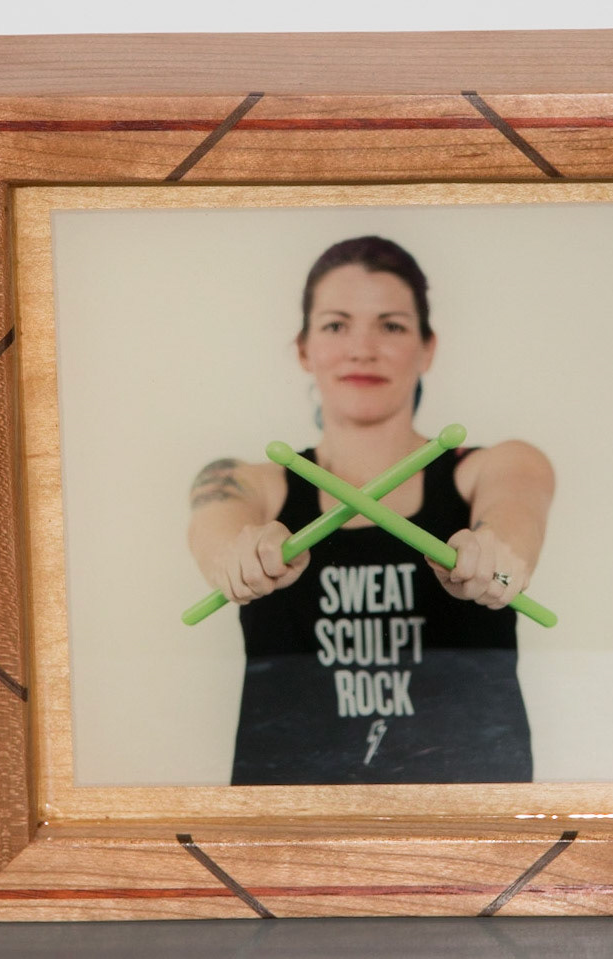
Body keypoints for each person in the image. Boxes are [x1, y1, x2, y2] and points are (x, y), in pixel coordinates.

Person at [188, 236, 554, 785]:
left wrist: (498, 557)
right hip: (290, 821)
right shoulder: (247, 482)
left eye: (392, 326)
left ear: (427, 348)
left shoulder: (496, 465)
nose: (362, 349)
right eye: (336, 325)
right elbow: (216, 534)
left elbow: (513, 522)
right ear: (304, 349)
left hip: (468, 819)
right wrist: (235, 558)